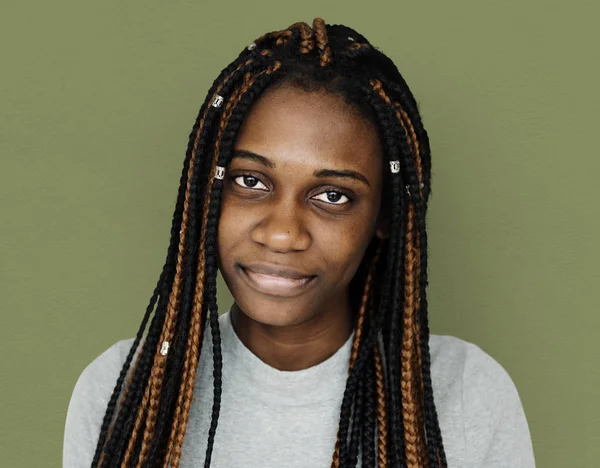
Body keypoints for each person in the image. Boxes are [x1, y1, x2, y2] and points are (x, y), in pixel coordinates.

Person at [63, 17, 536, 468]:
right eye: (251, 181)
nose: (283, 233)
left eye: (333, 195)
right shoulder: (124, 388)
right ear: (208, 189)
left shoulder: (468, 392)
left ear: (384, 216)